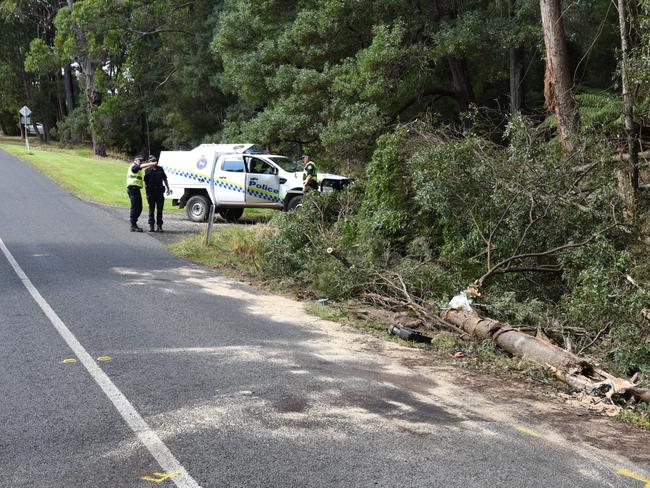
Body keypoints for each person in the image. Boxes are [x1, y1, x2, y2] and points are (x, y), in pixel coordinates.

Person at [126, 155, 157, 232]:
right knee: (135, 207)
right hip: (132, 189)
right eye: (140, 161)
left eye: (142, 161)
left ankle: (133, 222)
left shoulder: (137, 168)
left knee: (139, 207)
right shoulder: (133, 167)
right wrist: (150, 164)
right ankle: (133, 225)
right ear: (135, 160)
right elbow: (138, 167)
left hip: (136, 189)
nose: (141, 162)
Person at [143, 155, 171, 232]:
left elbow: (165, 179)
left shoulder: (160, 169)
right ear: (149, 162)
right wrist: (146, 194)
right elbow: (145, 183)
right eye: (152, 161)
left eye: (155, 161)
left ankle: (159, 226)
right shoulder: (147, 170)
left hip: (159, 192)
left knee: (160, 210)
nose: (154, 162)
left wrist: (168, 188)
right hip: (151, 192)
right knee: (151, 210)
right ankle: (151, 226)